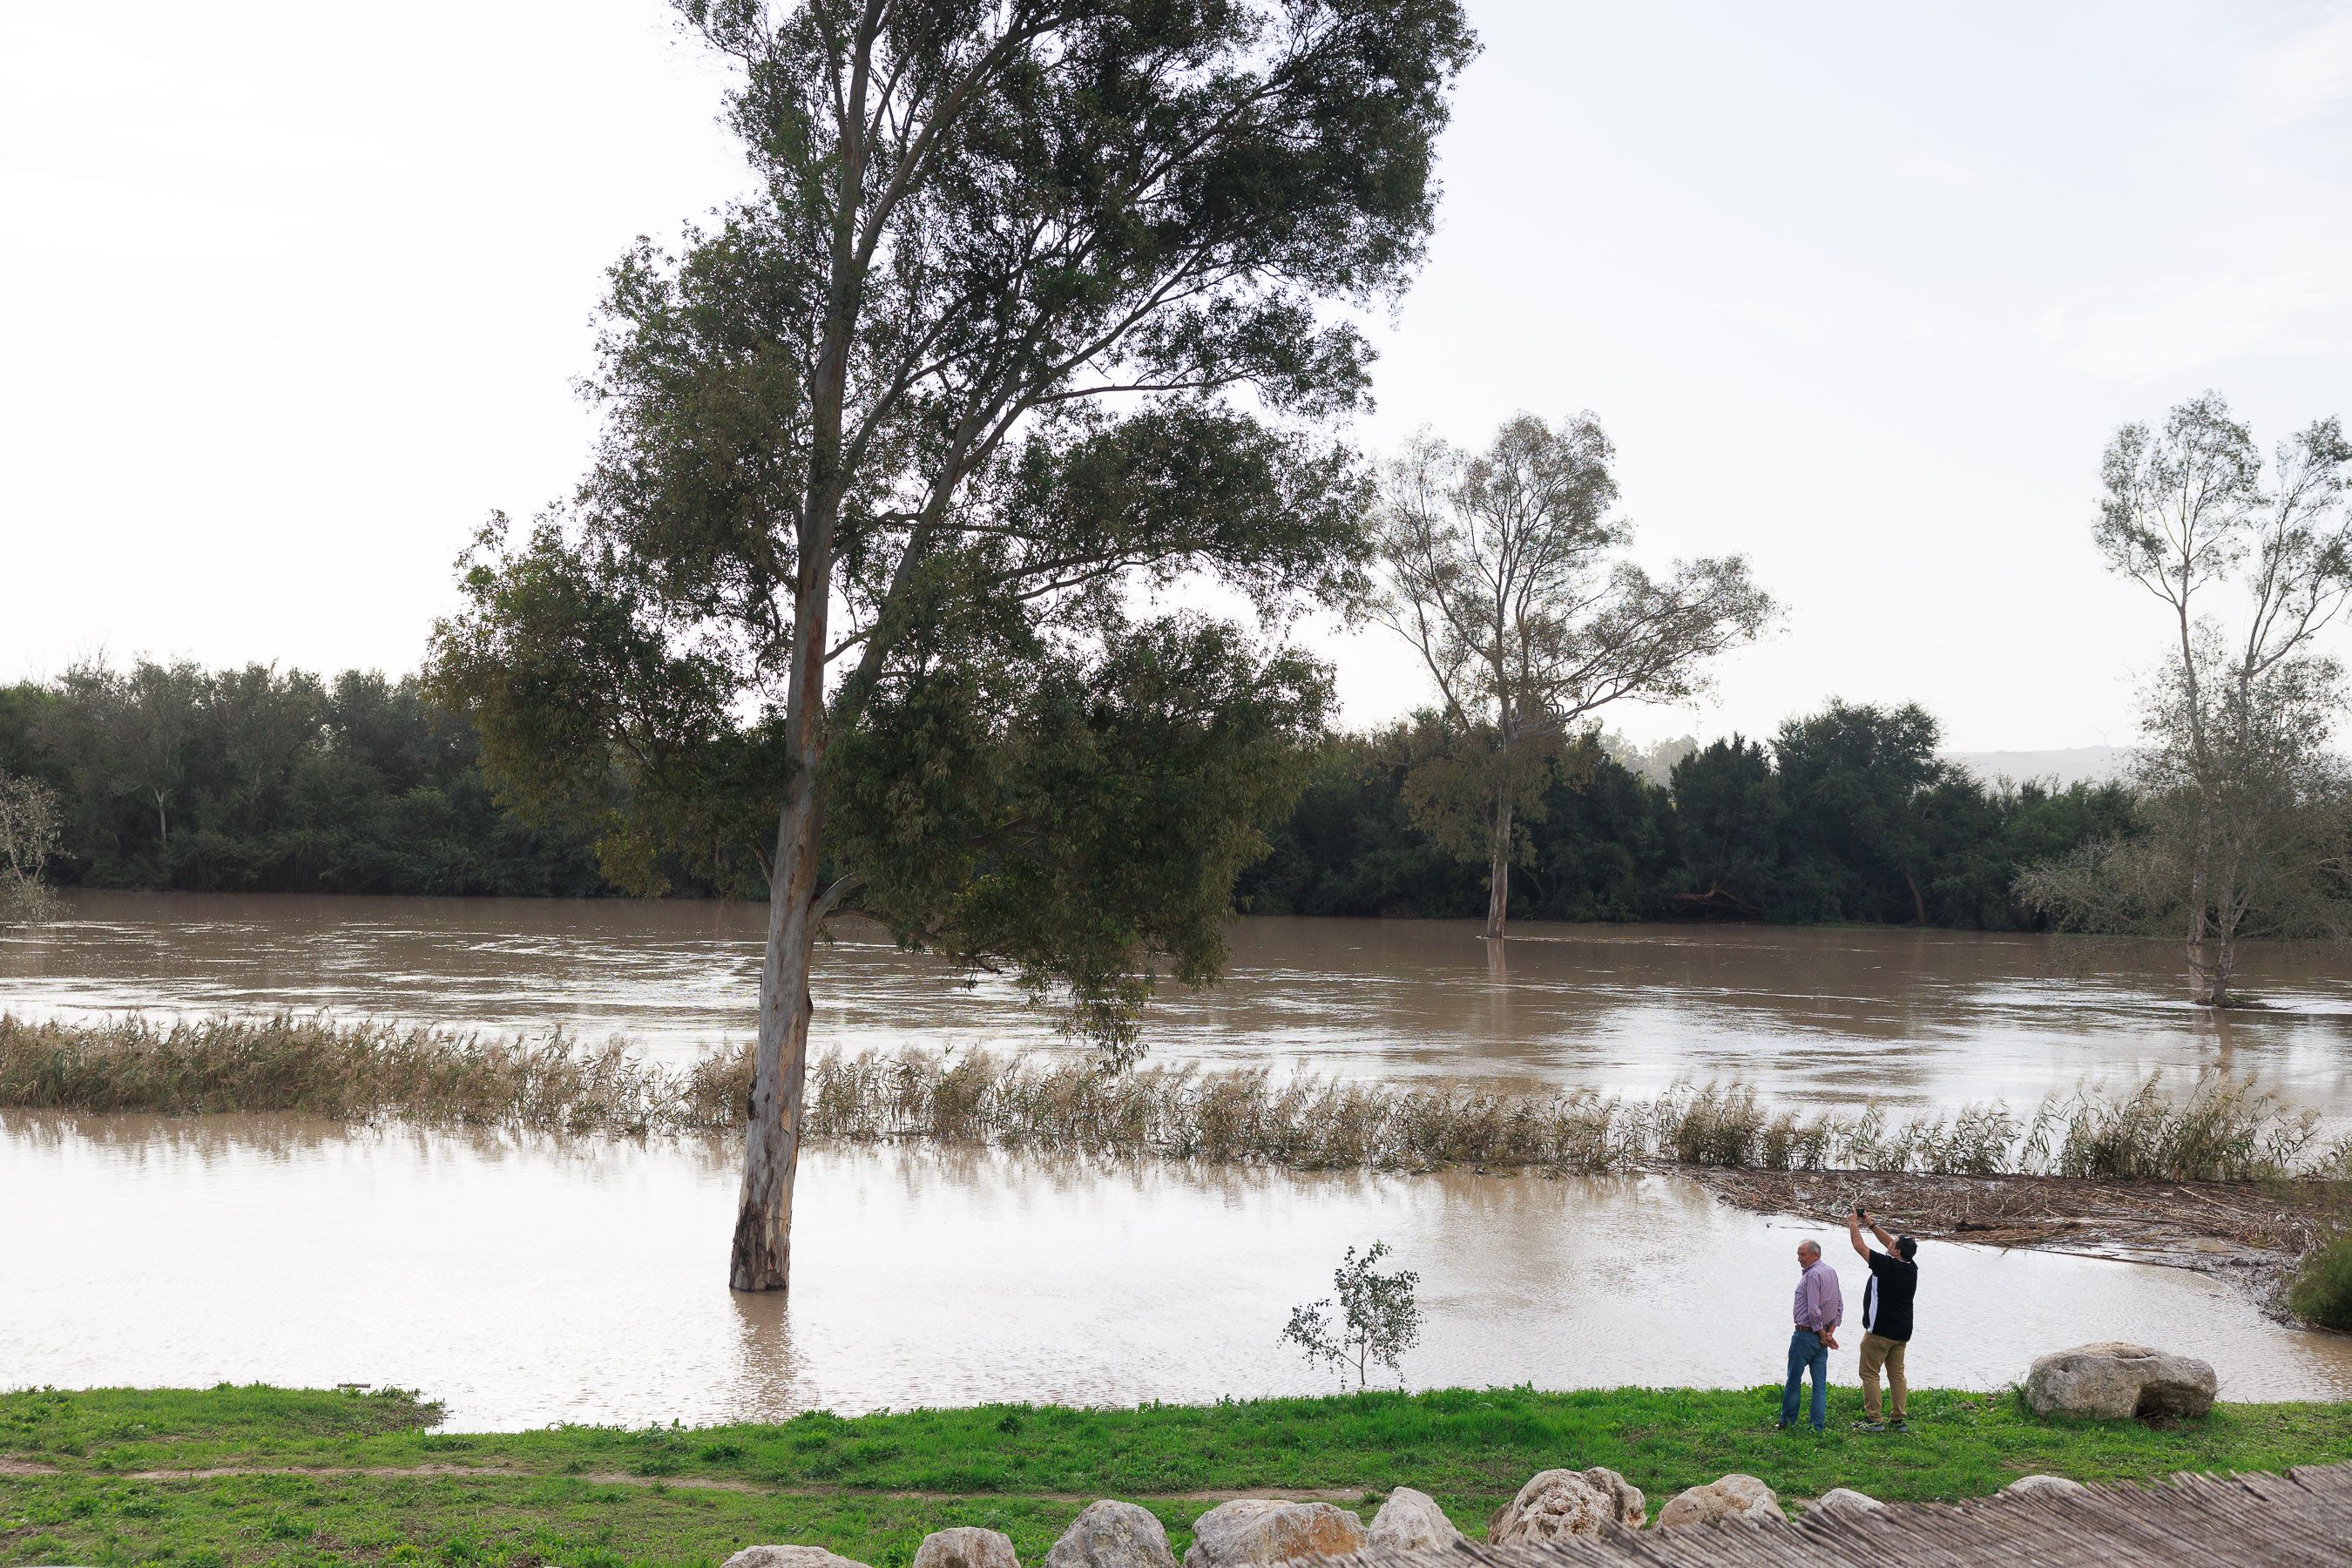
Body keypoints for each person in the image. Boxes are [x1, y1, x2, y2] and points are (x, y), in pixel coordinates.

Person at [1847, 1206, 1918, 1433]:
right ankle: (1898, 1420)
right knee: (1897, 1375)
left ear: (1897, 1252)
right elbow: (1890, 1243)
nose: (1889, 1244)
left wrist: (1853, 1224)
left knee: (1869, 1373)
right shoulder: (1911, 1266)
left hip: (1879, 1333)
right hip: (1901, 1332)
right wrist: (1871, 1224)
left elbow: (1859, 1246)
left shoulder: (1885, 1266)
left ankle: (1874, 1420)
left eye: (1893, 1244)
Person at [1778, 1238, 1842, 1432]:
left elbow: (1814, 1310)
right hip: (1822, 1340)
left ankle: (1787, 1422)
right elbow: (1838, 1307)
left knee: (1794, 1380)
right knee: (1819, 1385)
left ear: (1816, 1255)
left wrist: (1823, 1334)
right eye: (1798, 1254)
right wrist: (1829, 1333)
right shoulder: (1830, 1272)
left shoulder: (1813, 1275)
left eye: (1803, 1254)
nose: (1799, 1258)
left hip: (1806, 1335)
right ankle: (1817, 1426)